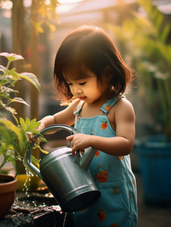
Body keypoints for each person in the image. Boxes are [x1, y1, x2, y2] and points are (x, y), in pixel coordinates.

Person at [36, 24, 137, 227]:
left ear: (107, 74)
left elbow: (126, 144)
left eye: (82, 82)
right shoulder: (78, 105)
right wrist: (42, 125)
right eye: (70, 83)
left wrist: (92, 140)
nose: (75, 90)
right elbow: (55, 120)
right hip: (83, 189)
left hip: (113, 193)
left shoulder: (119, 107)